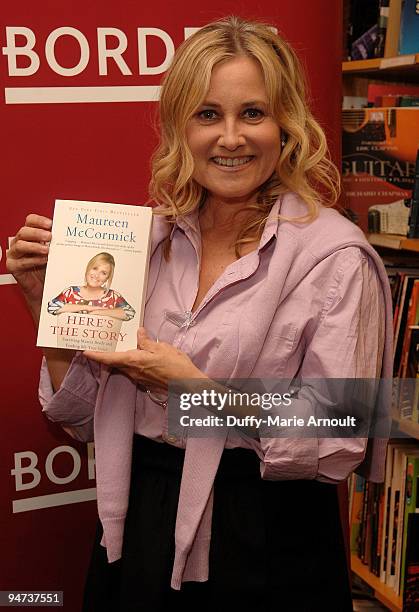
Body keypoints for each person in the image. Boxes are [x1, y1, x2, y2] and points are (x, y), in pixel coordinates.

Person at [6, 16, 393, 612]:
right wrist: (47, 306)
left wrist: (195, 389)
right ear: (179, 128)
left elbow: (342, 439)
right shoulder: (147, 240)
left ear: (287, 125)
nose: (230, 137)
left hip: (263, 536)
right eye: (208, 114)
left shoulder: (336, 257)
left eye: (254, 114)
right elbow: (79, 417)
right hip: (136, 524)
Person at [47, 252, 135, 320]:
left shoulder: (113, 296)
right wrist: (88, 308)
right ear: (88, 268)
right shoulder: (71, 292)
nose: (97, 275)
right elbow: (51, 307)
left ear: (107, 278)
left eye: (103, 273)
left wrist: (99, 312)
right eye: (95, 268)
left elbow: (130, 313)